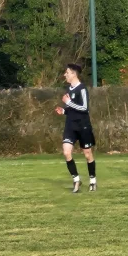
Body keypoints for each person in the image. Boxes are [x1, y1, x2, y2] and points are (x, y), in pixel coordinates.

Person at [54, 63, 97, 192]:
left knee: (88, 154)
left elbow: (84, 108)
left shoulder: (82, 89)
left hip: (83, 126)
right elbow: (72, 109)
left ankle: (93, 180)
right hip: (70, 126)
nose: (65, 75)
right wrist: (64, 111)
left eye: (67, 72)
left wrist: (69, 103)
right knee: (67, 152)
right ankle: (76, 180)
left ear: (73, 74)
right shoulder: (69, 89)